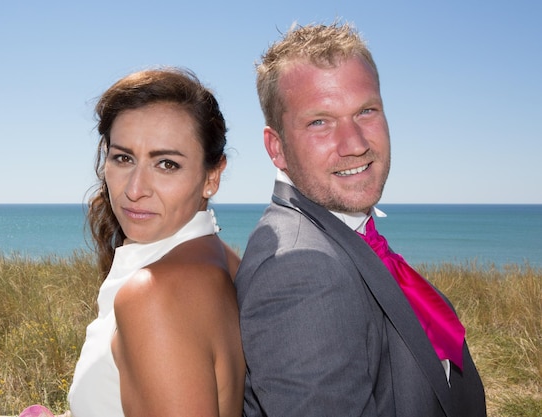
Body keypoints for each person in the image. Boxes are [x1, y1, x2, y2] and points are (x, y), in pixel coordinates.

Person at [235, 22, 487, 417]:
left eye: (366, 111)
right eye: (320, 121)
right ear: (277, 147)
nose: (355, 144)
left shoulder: (343, 232)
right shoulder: (301, 271)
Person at [63, 68, 245, 417]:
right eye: (123, 158)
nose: (134, 190)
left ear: (212, 176)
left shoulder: (153, 294)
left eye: (166, 164)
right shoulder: (222, 258)